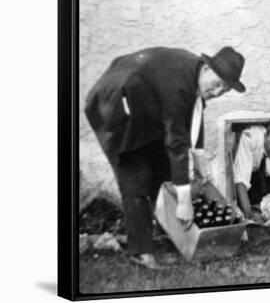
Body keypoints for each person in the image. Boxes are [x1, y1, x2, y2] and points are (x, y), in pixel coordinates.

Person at [85, 46, 246, 269]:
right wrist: (184, 201)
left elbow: (194, 119)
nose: (218, 92)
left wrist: (199, 163)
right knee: (136, 175)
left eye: (225, 90)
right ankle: (141, 252)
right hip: (113, 106)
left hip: (145, 110)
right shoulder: (179, 82)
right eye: (217, 84)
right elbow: (177, 141)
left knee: (164, 172)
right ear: (207, 69)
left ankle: (169, 232)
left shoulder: (195, 78)